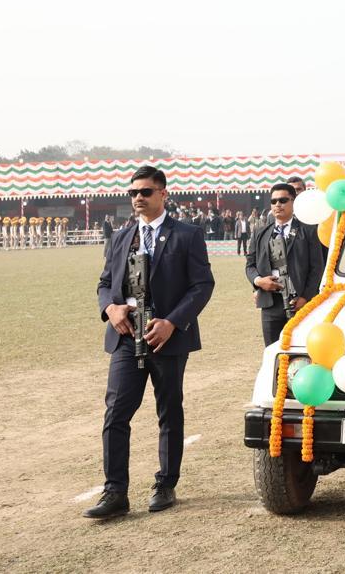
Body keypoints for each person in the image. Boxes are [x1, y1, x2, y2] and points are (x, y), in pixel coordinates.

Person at [84, 166, 215, 519]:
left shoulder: (187, 235)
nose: (138, 198)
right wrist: (110, 308)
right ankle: (115, 492)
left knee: (169, 410)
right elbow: (104, 284)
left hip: (166, 337)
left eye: (145, 191)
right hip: (126, 336)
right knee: (116, 412)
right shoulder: (121, 238)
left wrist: (173, 322)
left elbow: (202, 285)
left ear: (163, 194)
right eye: (133, 193)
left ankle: (166, 483)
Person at [245, 184, 325, 346]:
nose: (278, 205)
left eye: (283, 200)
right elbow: (250, 265)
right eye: (274, 201)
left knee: (301, 351)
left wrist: (305, 297)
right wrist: (259, 282)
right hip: (270, 303)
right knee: (272, 351)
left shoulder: (309, 231)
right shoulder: (260, 233)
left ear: (293, 202)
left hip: (300, 303)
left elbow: (317, 268)